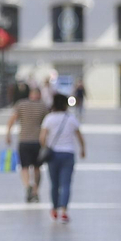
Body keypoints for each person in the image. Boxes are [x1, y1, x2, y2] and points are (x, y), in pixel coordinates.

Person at [40, 93, 87, 223]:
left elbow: (42, 137)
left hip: (53, 155)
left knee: (54, 183)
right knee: (66, 183)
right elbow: (79, 136)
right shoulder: (71, 118)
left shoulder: (49, 118)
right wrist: (83, 149)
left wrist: (45, 147)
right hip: (68, 154)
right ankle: (64, 211)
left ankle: (54, 209)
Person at [5, 85, 50, 203]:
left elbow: (12, 120)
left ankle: (27, 186)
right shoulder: (43, 106)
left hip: (24, 141)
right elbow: (48, 125)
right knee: (37, 168)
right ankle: (35, 190)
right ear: (39, 95)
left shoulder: (21, 104)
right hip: (38, 141)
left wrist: (8, 134)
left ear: (30, 94)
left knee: (24, 167)